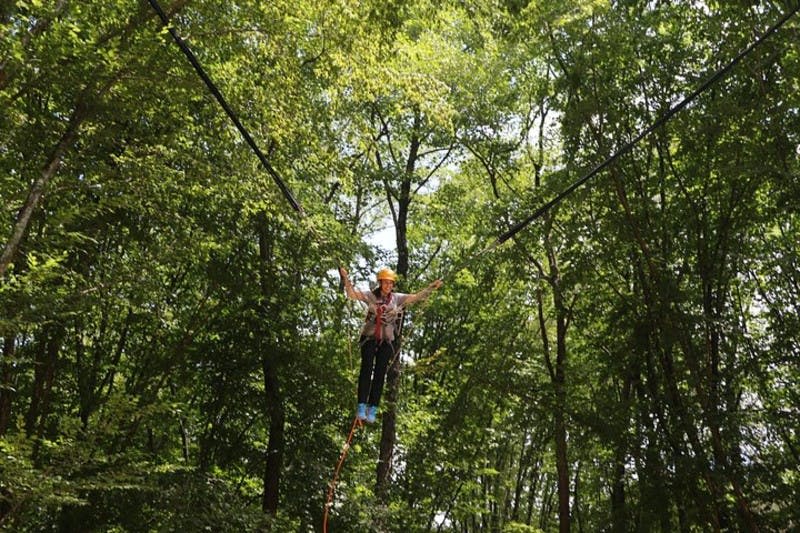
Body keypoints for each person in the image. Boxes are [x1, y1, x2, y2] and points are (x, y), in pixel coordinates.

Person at [338, 266, 443, 423]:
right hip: (369, 338)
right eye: (386, 282)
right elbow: (352, 294)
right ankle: (361, 405)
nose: (388, 286)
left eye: (391, 283)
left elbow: (416, 297)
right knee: (366, 369)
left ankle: (372, 408)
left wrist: (431, 288)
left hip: (387, 341)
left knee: (380, 374)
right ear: (380, 283)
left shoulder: (396, 298)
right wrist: (345, 278)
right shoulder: (370, 296)